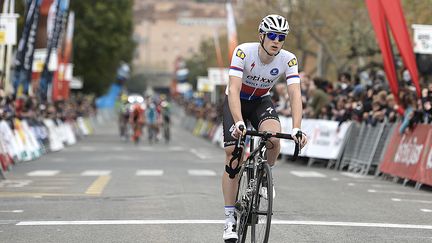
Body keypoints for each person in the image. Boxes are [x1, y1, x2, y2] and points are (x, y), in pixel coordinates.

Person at [221, 14, 307, 242]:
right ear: (262, 35)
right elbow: (234, 88)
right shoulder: (243, 51)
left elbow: (295, 93)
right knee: (233, 156)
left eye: (281, 37)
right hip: (236, 100)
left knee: (274, 139)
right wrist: (238, 121)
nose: (276, 40)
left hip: (261, 101)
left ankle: (265, 176)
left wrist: (297, 127)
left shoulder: (288, 59)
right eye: (272, 35)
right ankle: (229, 219)